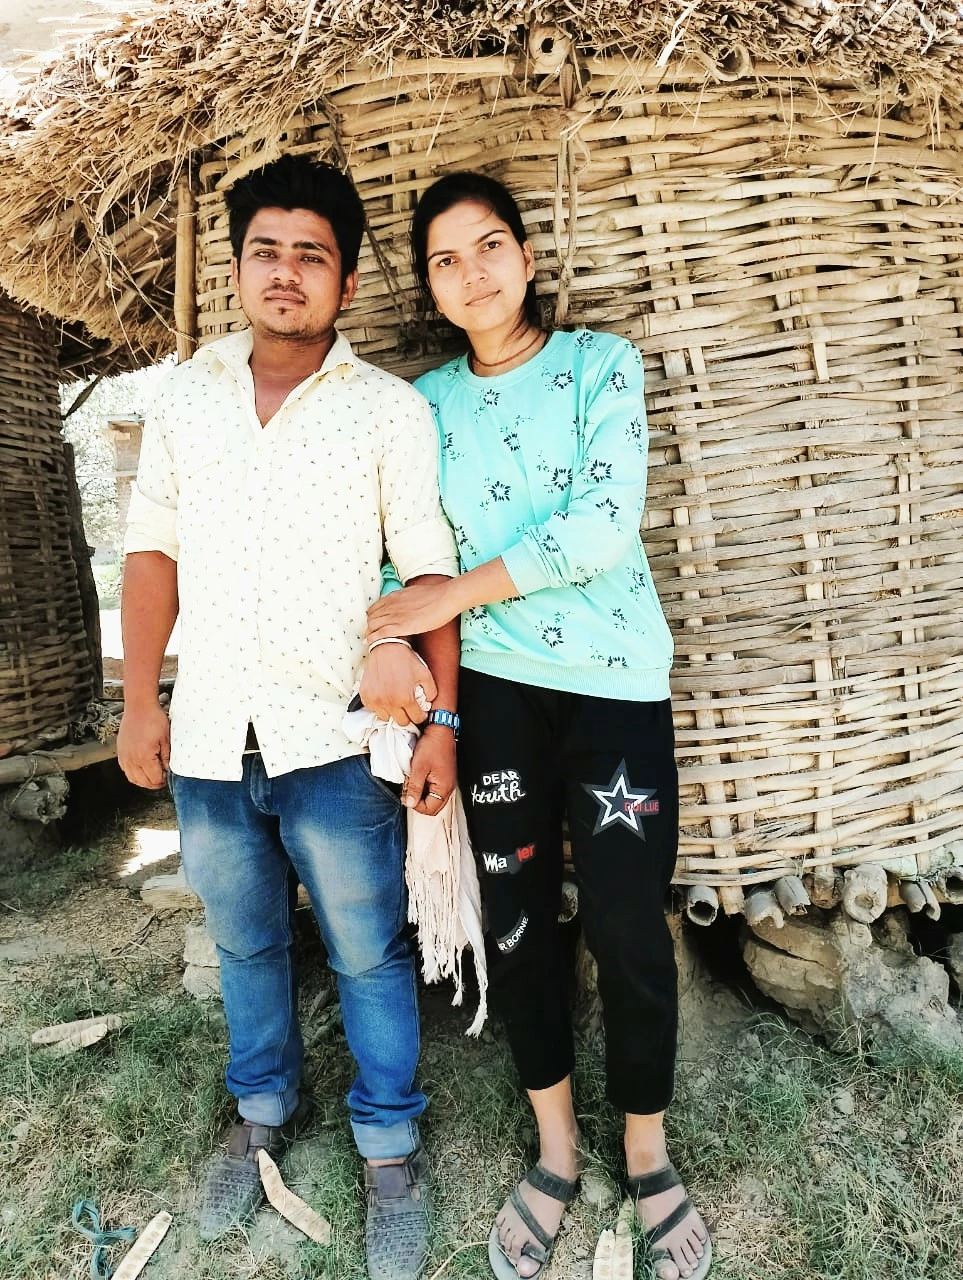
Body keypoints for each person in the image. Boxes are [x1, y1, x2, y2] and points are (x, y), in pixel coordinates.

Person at [117, 154, 461, 1280]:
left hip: (334, 740)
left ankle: (389, 1146)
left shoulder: (389, 412)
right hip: (212, 732)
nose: (286, 272)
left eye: (312, 255)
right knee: (246, 940)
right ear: (236, 269)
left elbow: (431, 577)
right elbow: (153, 554)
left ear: (345, 284)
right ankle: (260, 1112)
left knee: (367, 948)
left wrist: (444, 723)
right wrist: (140, 701)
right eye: (266, 250)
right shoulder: (185, 399)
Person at [366, 172, 711, 1280]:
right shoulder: (420, 407)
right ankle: (556, 1147)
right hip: (496, 698)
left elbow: (603, 525)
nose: (471, 272)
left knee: (626, 920)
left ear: (525, 255)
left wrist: (449, 594)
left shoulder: (602, 364)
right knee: (515, 922)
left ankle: (647, 1150)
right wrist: (393, 636)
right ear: (429, 287)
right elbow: (400, 547)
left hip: (613, 685)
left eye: (488, 246)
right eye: (445, 259)